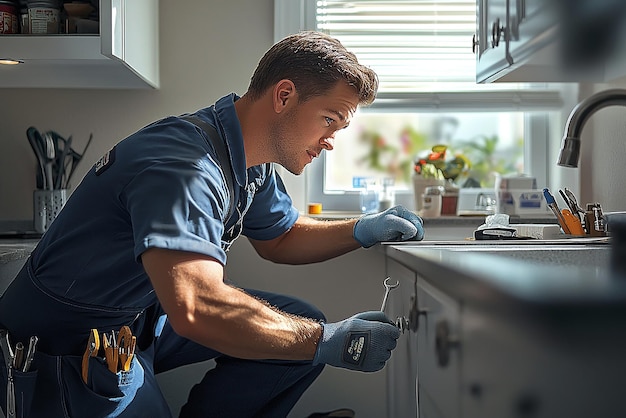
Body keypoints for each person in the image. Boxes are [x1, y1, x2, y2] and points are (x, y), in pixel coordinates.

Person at [0, 31, 424, 418]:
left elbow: (281, 237)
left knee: (299, 319)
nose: (331, 140)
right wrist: (328, 341)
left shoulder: (246, 159)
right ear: (285, 96)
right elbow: (197, 308)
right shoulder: (184, 166)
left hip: (140, 318)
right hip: (64, 344)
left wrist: (362, 229)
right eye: (329, 119)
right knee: (305, 334)